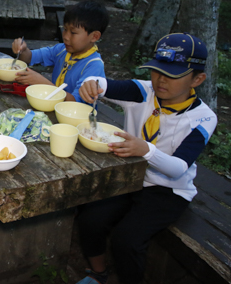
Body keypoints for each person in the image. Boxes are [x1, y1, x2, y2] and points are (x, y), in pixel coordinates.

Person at [75, 33, 217, 284]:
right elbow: (104, 84)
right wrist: (91, 82)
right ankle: (98, 273)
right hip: (131, 177)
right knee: (90, 218)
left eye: (173, 74)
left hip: (168, 191)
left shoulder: (203, 118)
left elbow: (178, 168)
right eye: (157, 70)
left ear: (198, 78)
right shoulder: (144, 92)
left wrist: (146, 150)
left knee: (126, 240)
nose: (161, 80)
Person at [11, 0, 109, 102]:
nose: (66, 36)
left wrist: (43, 83)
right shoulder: (62, 49)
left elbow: (75, 102)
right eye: (65, 29)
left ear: (94, 36)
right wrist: (22, 50)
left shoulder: (93, 66)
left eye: (73, 32)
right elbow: (30, 57)